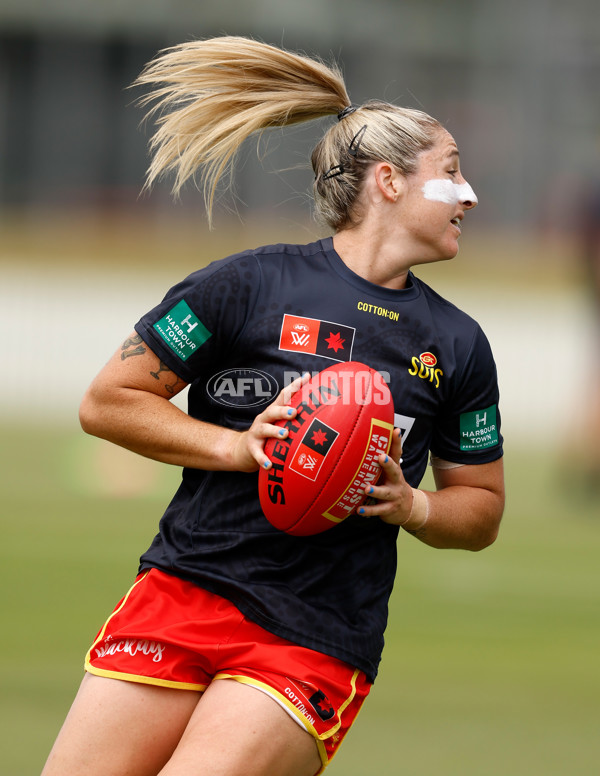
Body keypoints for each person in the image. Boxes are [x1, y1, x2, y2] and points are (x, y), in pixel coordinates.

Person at [41, 36, 505, 776]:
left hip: (313, 635)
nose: (470, 194)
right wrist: (235, 446)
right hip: (182, 591)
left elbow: (479, 508)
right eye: (451, 173)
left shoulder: (457, 344)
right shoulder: (245, 286)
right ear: (387, 181)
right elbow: (108, 402)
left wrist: (412, 505)